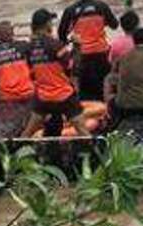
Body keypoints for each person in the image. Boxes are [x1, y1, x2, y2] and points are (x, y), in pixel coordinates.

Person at [22, 9, 96, 138]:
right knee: (83, 131)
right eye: (50, 22)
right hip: (64, 96)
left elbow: (32, 72)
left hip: (43, 98)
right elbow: (72, 67)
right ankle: (96, 155)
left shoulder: (29, 47)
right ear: (46, 24)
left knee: (27, 133)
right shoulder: (55, 45)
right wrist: (77, 47)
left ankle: (13, 153)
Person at [58, 0, 119, 102]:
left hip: (81, 55)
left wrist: (68, 42)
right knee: (104, 86)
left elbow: (61, 34)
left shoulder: (70, 10)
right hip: (101, 53)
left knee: (82, 90)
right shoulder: (102, 6)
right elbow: (115, 25)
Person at [0, 20, 34, 103]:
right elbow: (34, 67)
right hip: (28, 93)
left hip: (5, 95)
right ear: (12, 32)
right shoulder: (24, 46)